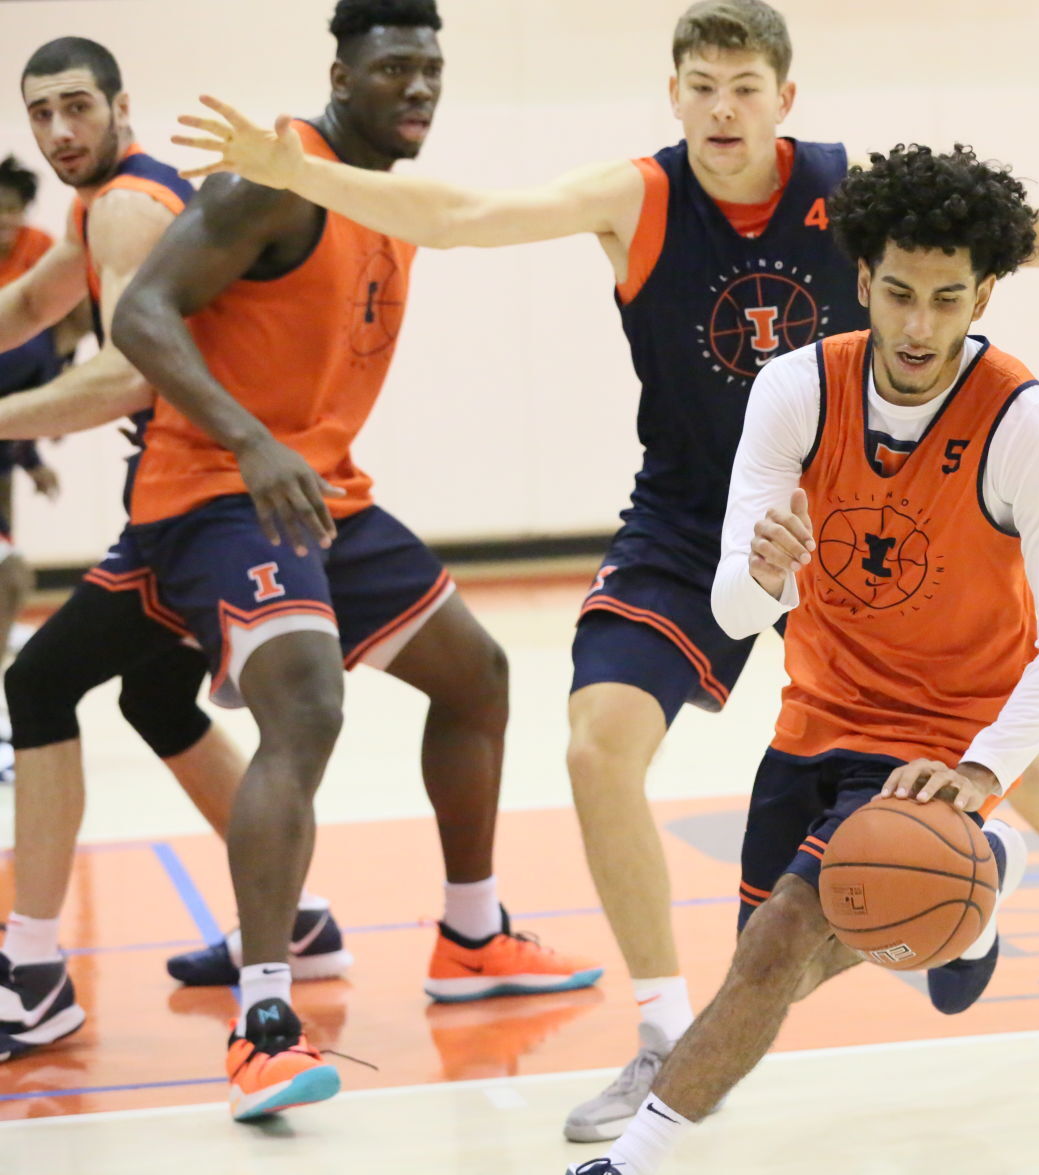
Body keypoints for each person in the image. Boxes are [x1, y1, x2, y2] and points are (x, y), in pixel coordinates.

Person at [175, 0, 1039, 1136]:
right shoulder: (639, 198)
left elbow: (1012, 234)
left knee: (986, 723)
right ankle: (660, 1036)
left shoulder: (845, 192)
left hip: (851, 508)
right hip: (694, 519)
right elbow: (459, 216)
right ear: (673, 95)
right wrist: (298, 174)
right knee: (598, 739)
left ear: (783, 100)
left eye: (743, 84)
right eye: (699, 84)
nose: (721, 106)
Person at [572, 141, 1039, 1175]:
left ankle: (625, 1160)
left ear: (984, 292)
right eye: (897, 293)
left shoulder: (1022, 423)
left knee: (777, 944)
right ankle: (975, 890)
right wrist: (767, 574)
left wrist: (983, 771)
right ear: (860, 278)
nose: (917, 326)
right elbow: (731, 602)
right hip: (813, 720)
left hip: (936, 738)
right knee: (767, 965)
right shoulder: (796, 389)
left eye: (946, 299)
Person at [111, 0, 597, 1122]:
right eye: (393, 68)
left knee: (476, 674)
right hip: (217, 491)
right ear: (341, 71)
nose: (417, 87)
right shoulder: (274, 177)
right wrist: (246, 437)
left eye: (431, 68)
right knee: (309, 706)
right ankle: (263, 1019)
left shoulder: (383, 195)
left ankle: (472, 934)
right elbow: (142, 313)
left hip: (317, 489)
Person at [0, 37, 359, 1070]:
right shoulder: (100, 199)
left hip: (205, 493)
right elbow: (31, 307)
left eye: (78, 108)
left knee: (40, 681)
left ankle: (33, 971)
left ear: (120, 106)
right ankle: (299, 918)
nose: (61, 132)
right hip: (193, 489)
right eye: (42, 115)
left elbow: (123, 377)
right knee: (152, 699)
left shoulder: (126, 205)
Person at [0, 151, 65, 783]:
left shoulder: (47, 252)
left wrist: (35, 447)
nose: (5, 225)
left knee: (7, 570)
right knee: (10, 575)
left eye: (13, 212)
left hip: (9, 433)